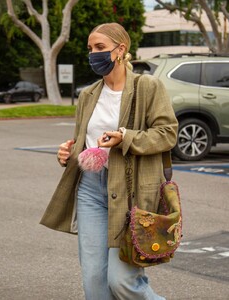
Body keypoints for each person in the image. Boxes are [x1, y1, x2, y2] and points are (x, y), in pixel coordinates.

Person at [40, 22, 178, 300]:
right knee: (94, 281)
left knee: (122, 282)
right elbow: (85, 142)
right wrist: (67, 155)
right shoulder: (88, 95)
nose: (93, 54)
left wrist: (125, 137)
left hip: (132, 191)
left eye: (100, 48)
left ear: (120, 49)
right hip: (91, 189)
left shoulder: (148, 87)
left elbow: (167, 134)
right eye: (90, 49)